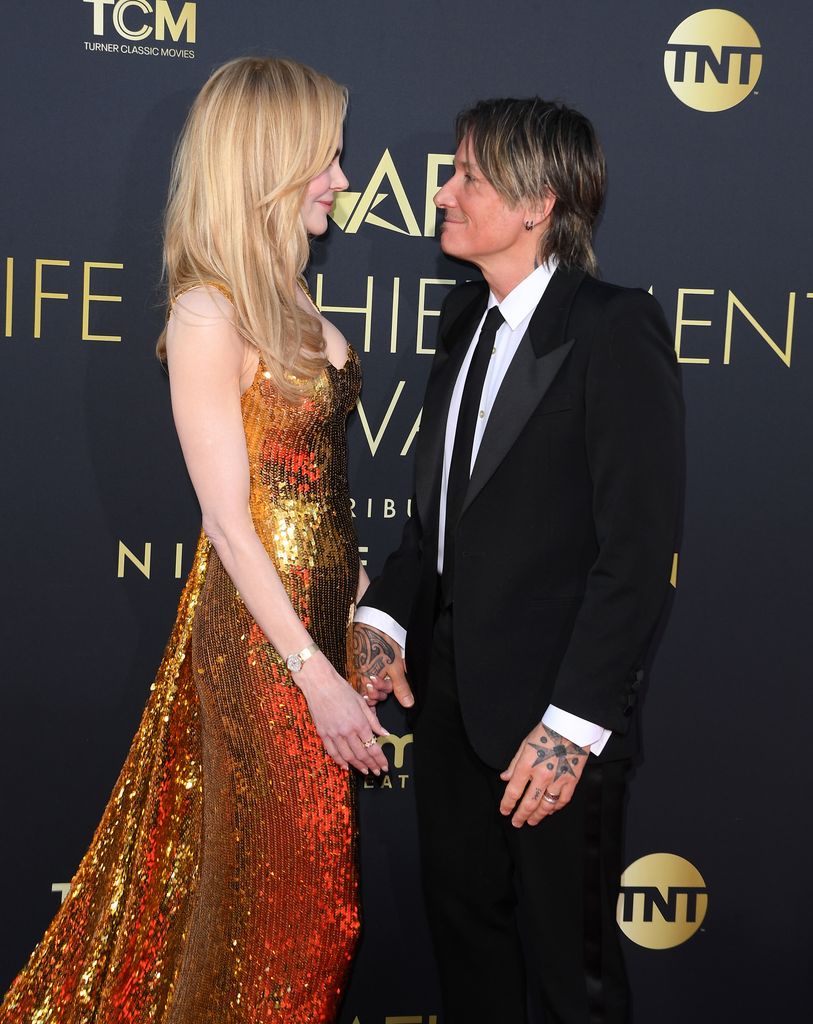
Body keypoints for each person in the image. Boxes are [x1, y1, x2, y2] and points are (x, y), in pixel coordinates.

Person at [1, 56, 387, 1024]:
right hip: (265, 645)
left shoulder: (290, 300)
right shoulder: (210, 307)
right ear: (269, 164)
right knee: (307, 915)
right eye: (328, 159)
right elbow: (228, 518)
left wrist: (361, 622)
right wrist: (314, 669)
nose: (345, 180)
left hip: (313, 629)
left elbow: (317, 494)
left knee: (280, 911)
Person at [353, 97, 684, 1024]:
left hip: (552, 720)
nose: (444, 194)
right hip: (451, 704)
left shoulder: (612, 329)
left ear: (538, 203)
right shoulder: (464, 318)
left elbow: (636, 553)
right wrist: (385, 617)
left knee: (570, 979)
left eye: (468, 176)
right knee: (468, 951)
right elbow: (439, 521)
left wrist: (570, 727)